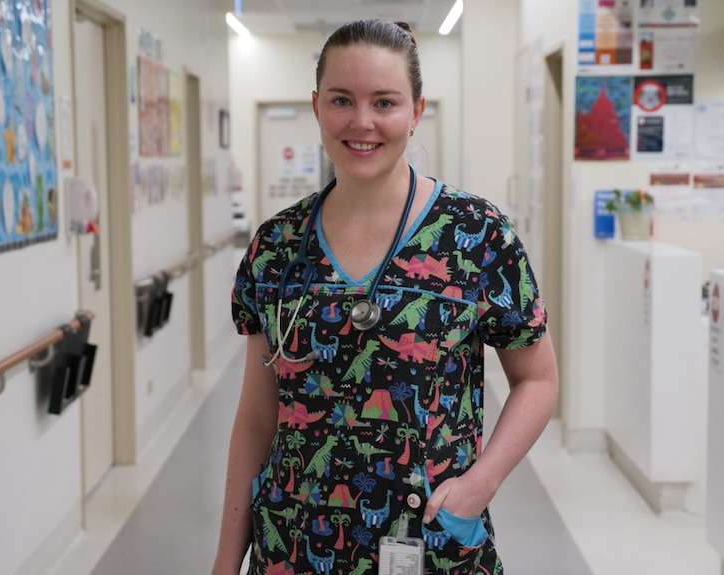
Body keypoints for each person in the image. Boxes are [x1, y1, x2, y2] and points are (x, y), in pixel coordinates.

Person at [212, 18, 558, 575]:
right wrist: (225, 563)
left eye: (386, 102)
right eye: (342, 100)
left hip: (430, 542)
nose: (362, 122)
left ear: (417, 111)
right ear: (317, 106)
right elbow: (256, 418)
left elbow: (538, 378)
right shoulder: (276, 247)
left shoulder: (477, 234)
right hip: (294, 545)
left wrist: (480, 484)